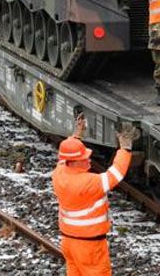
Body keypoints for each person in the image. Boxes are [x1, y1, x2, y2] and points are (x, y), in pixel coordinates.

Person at [52, 115, 136, 276]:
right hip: (89, 246)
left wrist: (77, 135)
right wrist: (125, 147)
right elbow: (115, 174)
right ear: (75, 162)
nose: (88, 160)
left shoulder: (60, 173)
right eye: (84, 158)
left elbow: (64, 157)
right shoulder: (88, 182)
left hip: (69, 242)